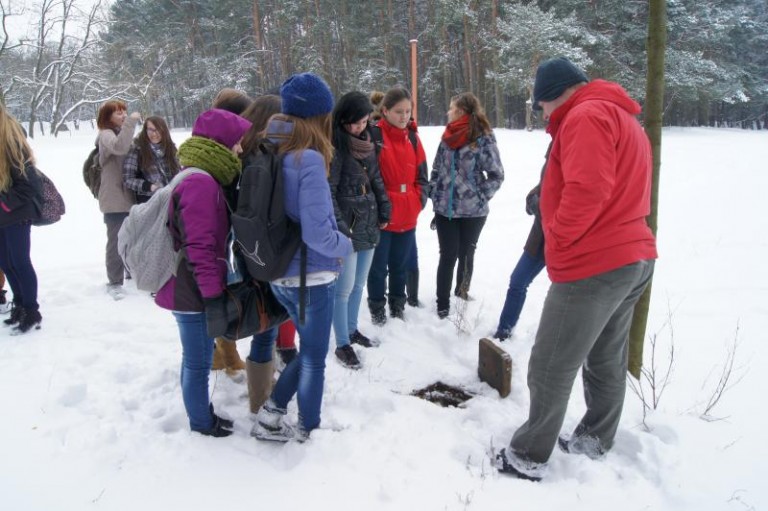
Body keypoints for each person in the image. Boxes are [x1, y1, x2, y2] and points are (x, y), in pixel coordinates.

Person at [495, 57, 658, 481]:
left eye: (541, 106)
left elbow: (589, 189)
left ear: (553, 95)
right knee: (605, 358)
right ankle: (594, 440)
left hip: (595, 263)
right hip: (632, 256)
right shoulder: (621, 116)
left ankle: (528, 456)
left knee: (550, 362)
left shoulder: (586, 116)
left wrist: (559, 237)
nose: (544, 115)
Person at [249, 72, 352, 442]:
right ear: (318, 116)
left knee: (309, 352)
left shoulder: (268, 149)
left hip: (280, 273)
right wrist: (346, 245)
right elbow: (318, 234)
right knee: (313, 357)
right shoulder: (307, 159)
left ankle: (275, 416)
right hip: (311, 276)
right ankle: (304, 425)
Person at [154, 108, 252, 437]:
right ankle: (201, 423)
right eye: (236, 142)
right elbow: (200, 247)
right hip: (190, 287)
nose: (240, 149)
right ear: (220, 142)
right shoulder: (201, 183)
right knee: (197, 361)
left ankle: (201, 415)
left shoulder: (197, 176)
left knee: (194, 357)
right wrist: (212, 295)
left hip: (189, 283)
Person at [210, 94, 285, 378]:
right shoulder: (249, 157)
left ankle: (236, 364)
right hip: (249, 251)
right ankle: (238, 366)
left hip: (248, 250)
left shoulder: (250, 153)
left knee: (262, 316)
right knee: (261, 317)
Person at [329, 91, 391, 369]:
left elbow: (376, 178)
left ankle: (352, 330)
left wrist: (385, 206)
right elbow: (329, 191)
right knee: (343, 289)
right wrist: (341, 227)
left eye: (364, 121)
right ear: (343, 120)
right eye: (355, 122)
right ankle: (342, 343)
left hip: (368, 219)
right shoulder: (336, 147)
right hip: (348, 226)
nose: (360, 127)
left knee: (358, 284)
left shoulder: (368, 143)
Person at [429, 92, 504, 319]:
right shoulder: (447, 136)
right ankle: (442, 304)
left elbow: (496, 174)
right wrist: (435, 192)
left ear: (461, 111)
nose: (448, 112)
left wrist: (479, 196)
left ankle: (462, 292)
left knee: (466, 252)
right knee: (447, 254)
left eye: (451, 108)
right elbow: (436, 169)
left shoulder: (483, 138)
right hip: (445, 210)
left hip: (474, 211)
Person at [366, 87, 428, 324]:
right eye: (398, 111)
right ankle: (377, 308)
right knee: (378, 267)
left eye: (408, 111)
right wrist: (378, 208)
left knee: (400, 266)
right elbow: (368, 177)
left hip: (407, 214)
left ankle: (397, 305)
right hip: (382, 215)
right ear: (385, 111)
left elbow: (422, 176)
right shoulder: (374, 136)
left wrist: (418, 201)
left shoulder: (413, 138)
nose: (404, 116)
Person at [493, 143, 552, 340]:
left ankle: (552, 343)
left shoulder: (581, 144)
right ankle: (504, 332)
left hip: (567, 241)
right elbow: (545, 184)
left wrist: (543, 207)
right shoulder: (557, 142)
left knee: (562, 295)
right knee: (518, 280)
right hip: (540, 237)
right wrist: (533, 198)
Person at [0, 104, 43, 334]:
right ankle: (19, 305)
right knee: (6, 263)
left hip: (16, 214)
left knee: (20, 262)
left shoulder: (12, 142)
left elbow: (30, 185)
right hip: (3, 216)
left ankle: (31, 310)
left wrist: (4, 203)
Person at [96, 100, 141, 300]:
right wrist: (131, 123)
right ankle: (114, 282)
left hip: (128, 196)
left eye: (124, 112)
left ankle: (131, 271)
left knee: (132, 237)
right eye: (118, 113)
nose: (123, 116)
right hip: (114, 198)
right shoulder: (106, 134)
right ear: (107, 117)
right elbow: (120, 148)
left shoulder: (122, 133)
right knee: (116, 240)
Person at [122, 116, 180, 204]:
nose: (154, 134)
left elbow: (179, 171)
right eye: (150, 129)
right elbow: (128, 179)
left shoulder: (171, 148)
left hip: (173, 199)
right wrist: (149, 186)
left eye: (158, 130)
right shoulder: (137, 149)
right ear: (145, 130)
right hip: (150, 202)